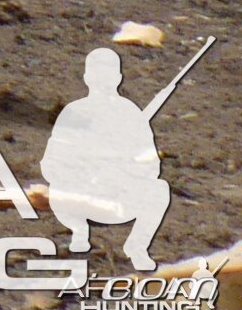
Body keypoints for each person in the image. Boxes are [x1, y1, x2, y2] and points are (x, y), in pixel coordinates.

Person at [43, 42, 193, 269]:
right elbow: (50, 163)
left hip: (118, 196)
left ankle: (137, 247)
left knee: (159, 190)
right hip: (77, 194)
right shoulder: (73, 113)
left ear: (117, 78)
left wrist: (126, 169)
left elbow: (150, 166)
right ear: (87, 78)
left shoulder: (130, 113)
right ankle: (79, 234)